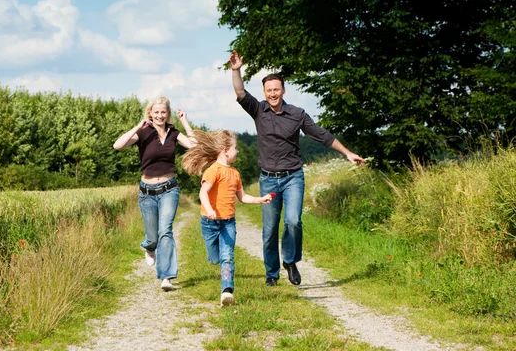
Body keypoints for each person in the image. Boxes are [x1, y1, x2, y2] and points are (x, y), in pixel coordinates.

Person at [229, 51, 365, 287]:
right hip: (269, 179)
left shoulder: (297, 114)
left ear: (283, 90)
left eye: (276, 89)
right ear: (264, 92)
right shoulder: (258, 110)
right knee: (270, 229)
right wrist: (236, 70)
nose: (272, 93)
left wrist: (347, 153)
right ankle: (271, 273)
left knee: (293, 221)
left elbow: (322, 135)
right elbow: (240, 93)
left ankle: (290, 261)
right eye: (268, 90)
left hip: (293, 177)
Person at [113, 96, 195, 291]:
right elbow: (118, 145)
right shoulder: (143, 133)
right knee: (153, 237)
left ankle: (166, 277)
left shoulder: (174, 132)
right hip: (147, 192)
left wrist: (185, 122)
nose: (160, 115)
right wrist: (137, 127)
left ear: (168, 114)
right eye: (156, 112)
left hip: (169, 189)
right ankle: (149, 247)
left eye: (163, 112)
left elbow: (194, 145)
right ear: (150, 113)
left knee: (165, 230)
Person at [182, 129, 272, 306]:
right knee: (215, 258)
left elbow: (243, 197)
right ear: (225, 150)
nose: (237, 151)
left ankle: (227, 291)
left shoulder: (235, 174)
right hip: (209, 222)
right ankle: (219, 270)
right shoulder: (213, 170)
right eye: (235, 148)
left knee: (227, 256)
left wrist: (261, 199)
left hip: (228, 222)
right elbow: (203, 193)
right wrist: (209, 209)